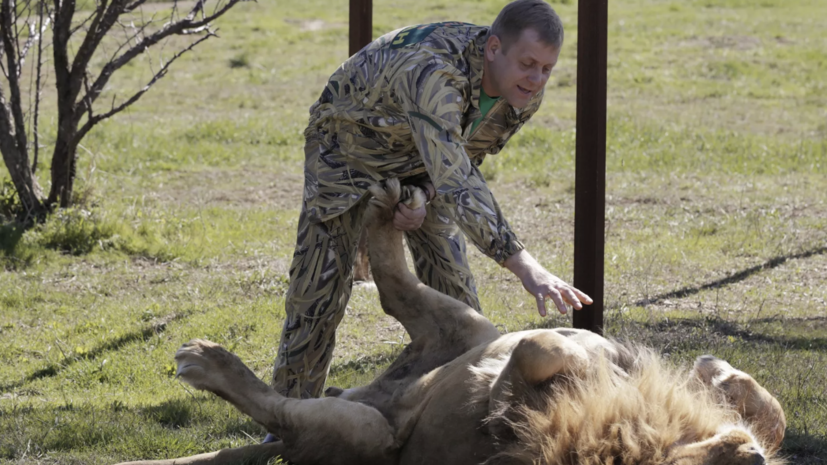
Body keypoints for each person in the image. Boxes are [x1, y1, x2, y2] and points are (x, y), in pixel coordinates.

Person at [270, 0, 593, 411]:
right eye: (528, 63)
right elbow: (458, 177)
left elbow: (461, 158)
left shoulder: (522, 93)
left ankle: (466, 412)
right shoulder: (434, 71)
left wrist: (421, 194)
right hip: (347, 151)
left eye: (547, 69)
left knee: (457, 297)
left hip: (426, 160)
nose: (536, 79)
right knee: (319, 294)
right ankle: (285, 419)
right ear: (494, 47)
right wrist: (524, 265)